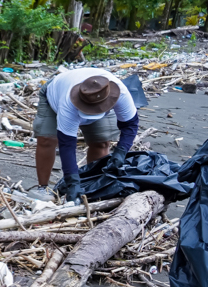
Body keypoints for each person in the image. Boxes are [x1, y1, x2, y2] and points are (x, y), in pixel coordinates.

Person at [29, 68, 139, 203]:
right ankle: (43, 188)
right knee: (47, 139)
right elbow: (67, 145)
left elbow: (130, 125)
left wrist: (120, 153)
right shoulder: (67, 104)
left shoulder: (120, 94)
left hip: (100, 102)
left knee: (101, 142)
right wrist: (72, 182)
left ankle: (93, 186)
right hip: (55, 95)